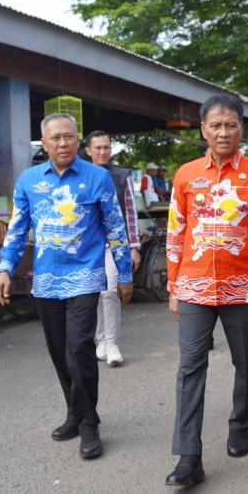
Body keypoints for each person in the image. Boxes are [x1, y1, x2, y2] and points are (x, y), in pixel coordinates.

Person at [0, 113, 133, 459]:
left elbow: (116, 228)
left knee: (79, 347)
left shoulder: (97, 177)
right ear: (44, 143)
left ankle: (89, 425)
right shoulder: (29, 180)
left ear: (77, 139)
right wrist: (5, 269)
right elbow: (16, 228)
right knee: (58, 352)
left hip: (85, 276)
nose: (62, 143)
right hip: (46, 280)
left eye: (68, 136)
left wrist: (126, 274)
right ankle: (75, 412)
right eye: (55, 138)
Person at [164, 94, 248, 487]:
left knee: (245, 362)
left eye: (230, 124)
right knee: (189, 368)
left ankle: (240, 424)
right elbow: (175, 233)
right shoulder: (186, 175)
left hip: (243, 288)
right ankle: (189, 456)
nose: (222, 132)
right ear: (203, 129)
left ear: (240, 129)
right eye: (215, 125)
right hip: (194, 287)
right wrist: (172, 286)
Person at [85, 130, 142, 366]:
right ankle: (101, 341)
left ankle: (113, 342)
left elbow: (130, 212)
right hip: (88, 247)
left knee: (109, 291)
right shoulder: (81, 176)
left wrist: (135, 246)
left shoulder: (121, 176)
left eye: (106, 147)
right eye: (97, 148)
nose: (103, 152)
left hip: (113, 245)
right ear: (88, 151)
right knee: (94, 295)